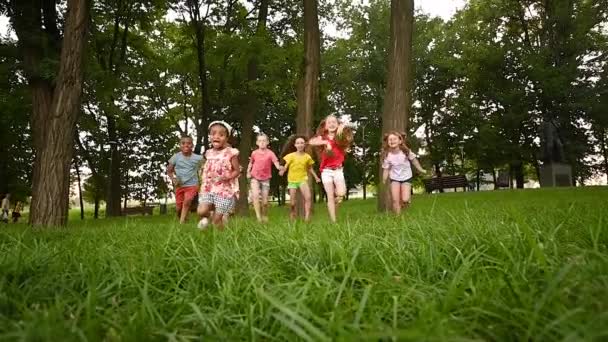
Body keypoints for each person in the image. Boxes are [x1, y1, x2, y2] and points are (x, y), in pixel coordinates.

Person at [308, 114, 353, 223]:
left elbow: (349, 139)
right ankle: (333, 221)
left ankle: (337, 202)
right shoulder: (322, 137)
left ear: (338, 125)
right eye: (329, 123)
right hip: (326, 171)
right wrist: (325, 142)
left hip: (338, 170)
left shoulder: (340, 137)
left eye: (334, 122)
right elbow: (311, 142)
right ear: (325, 126)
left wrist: (342, 129)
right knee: (330, 195)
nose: (332, 124)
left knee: (341, 193)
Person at [197, 121, 241, 230]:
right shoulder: (208, 153)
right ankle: (207, 217)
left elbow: (237, 171)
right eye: (213, 134)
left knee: (217, 221)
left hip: (223, 190)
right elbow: (207, 168)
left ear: (226, 138)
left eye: (221, 135)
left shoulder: (231, 153)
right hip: (209, 188)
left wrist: (229, 176)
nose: (216, 136)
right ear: (210, 136)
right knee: (201, 211)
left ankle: (220, 238)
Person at [381, 131, 426, 214]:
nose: (392, 141)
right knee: (395, 200)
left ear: (400, 141)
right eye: (390, 139)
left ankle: (405, 201)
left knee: (405, 199)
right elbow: (386, 169)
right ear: (387, 142)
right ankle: (398, 219)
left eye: (394, 139)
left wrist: (420, 169)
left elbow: (414, 161)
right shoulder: (387, 155)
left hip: (406, 177)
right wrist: (384, 179)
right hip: (394, 178)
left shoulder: (406, 152)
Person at [279, 135, 320, 221]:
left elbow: (310, 168)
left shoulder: (307, 157)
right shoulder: (291, 156)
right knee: (292, 203)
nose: (300, 145)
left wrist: (316, 177)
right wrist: (283, 171)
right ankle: (292, 213)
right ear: (295, 145)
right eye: (298, 143)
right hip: (292, 180)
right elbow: (286, 165)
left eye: (302, 143)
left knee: (308, 197)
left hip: (302, 179)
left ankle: (307, 218)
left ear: (304, 145)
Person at [247, 134, 284, 223]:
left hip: (266, 179)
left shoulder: (270, 153)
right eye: (260, 141)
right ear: (257, 143)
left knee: (264, 202)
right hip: (254, 177)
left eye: (264, 141)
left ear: (267, 142)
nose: (262, 143)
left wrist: (279, 167)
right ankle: (258, 218)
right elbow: (251, 163)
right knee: (255, 196)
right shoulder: (254, 153)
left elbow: (276, 163)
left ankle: (264, 215)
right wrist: (248, 172)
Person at [167, 136, 204, 224]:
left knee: (187, 201)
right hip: (179, 185)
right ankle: (184, 218)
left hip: (192, 184)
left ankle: (181, 222)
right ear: (180, 145)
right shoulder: (176, 157)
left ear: (192, 146)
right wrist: (173, 178)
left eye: (189, 143)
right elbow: (169, 171)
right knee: (178, 208)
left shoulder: (197, 158)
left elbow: (208, 164)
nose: (186, 145)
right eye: (183, 143)